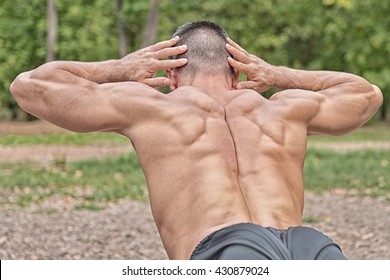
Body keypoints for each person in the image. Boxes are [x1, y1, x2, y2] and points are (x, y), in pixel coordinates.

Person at [10, 21, 383, 260]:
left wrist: (118, 69)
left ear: (171, 76)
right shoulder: (282, 109)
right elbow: (366, 94)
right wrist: (277, 74)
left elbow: (30, 87)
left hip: (231, 250)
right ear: (237, 73)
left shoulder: (154, 108)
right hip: (308, 246)